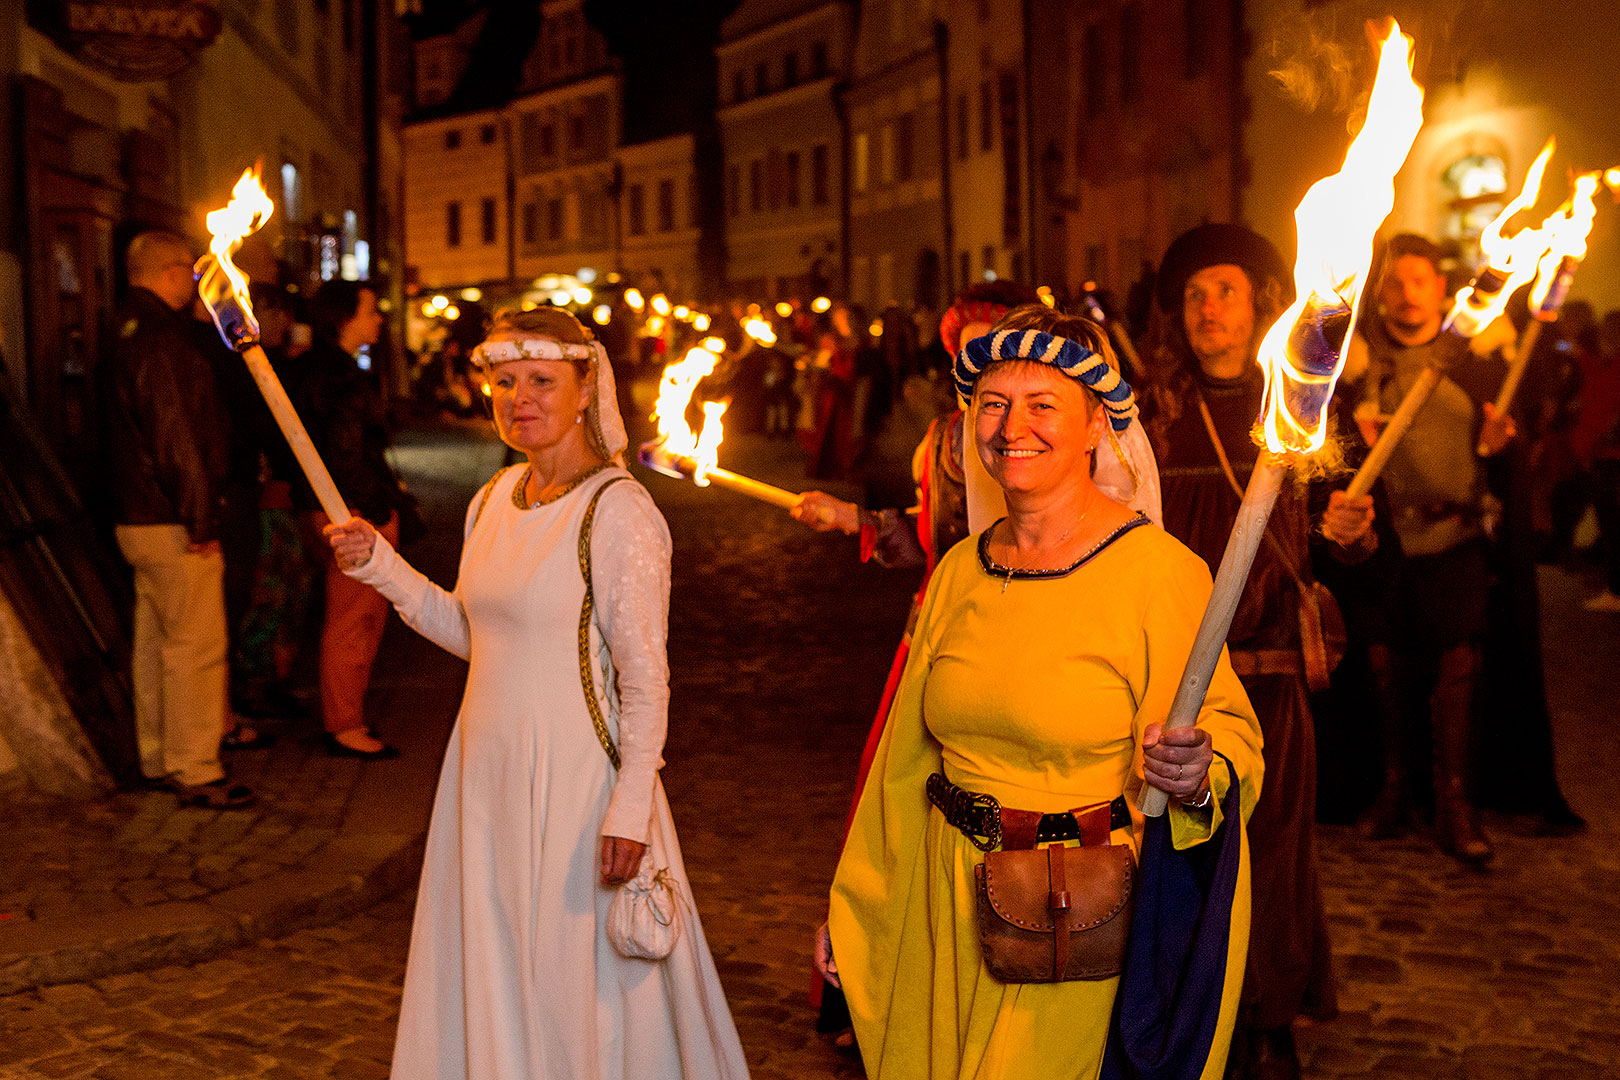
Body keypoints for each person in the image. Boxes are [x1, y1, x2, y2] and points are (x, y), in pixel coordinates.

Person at [819, 305, 1263, 1080]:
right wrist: (854, 901)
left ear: (1097, 425)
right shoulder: (959, 569)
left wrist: (1199, 769)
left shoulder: (1156, 574)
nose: (1009, 425)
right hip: (939, 898)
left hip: (1072, 915)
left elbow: (1228, 735)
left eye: (1041, 404)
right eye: (992, 403)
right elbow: (903, 763)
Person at [323, 307, 749, 1080]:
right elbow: (473, 632)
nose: (518, 398)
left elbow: (644, 678)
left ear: (586, 388)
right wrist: (378, 566)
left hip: (577, 781)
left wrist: (629, 807)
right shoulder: (494, 498)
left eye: (541, 381)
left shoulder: (619, 511)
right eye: (503, 381)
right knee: (493, 964)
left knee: (569, 988)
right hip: (484, 776)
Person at [1143, 223, 1375, 1079]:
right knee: (1182, 854)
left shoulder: (1304, 408)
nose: (1209, 309)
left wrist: (1349, 529)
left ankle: (1268, 1018)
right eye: (1196, 295)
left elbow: (1335, 538)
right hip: (1175, 685)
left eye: (1226, 291)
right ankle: (1183, 1015)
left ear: (1259, 306)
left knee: (1274, 859)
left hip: (1271, 680)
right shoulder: (1149, 413)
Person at [1342, 233, 1519, 862]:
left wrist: (1502, 446)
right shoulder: (1359, 365)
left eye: (1419, 280)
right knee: (1384, 669)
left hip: (1455, 540)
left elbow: (1506, 453)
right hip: (1386, 546)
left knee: (1455, 672)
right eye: (1395, 281)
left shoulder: (1478, 358)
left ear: (1442, 290)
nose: (1407, 294)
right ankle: (1393, 791)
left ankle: (1454, 802)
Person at [103, 231, 253, 809]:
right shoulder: (164, 342)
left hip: (134, 516)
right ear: (170, 273)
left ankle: (157, 754)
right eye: (191, 277)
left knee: (155, 640)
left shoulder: (121, 330)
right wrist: (201, 520)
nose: (197, 290)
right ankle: (195, 765)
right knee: (195, 645)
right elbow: (177, 439)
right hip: (170, 517)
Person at [287, 280, 407, 759]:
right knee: (355, 618)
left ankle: (345, 714)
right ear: (343, 318)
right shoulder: (341, 379)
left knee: (347, 614)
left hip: (327, 506)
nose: (378, 319)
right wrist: (372, 513)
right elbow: (346, 451)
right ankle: (345, 723)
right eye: (370, 310)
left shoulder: (312, 370)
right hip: (351, 512)